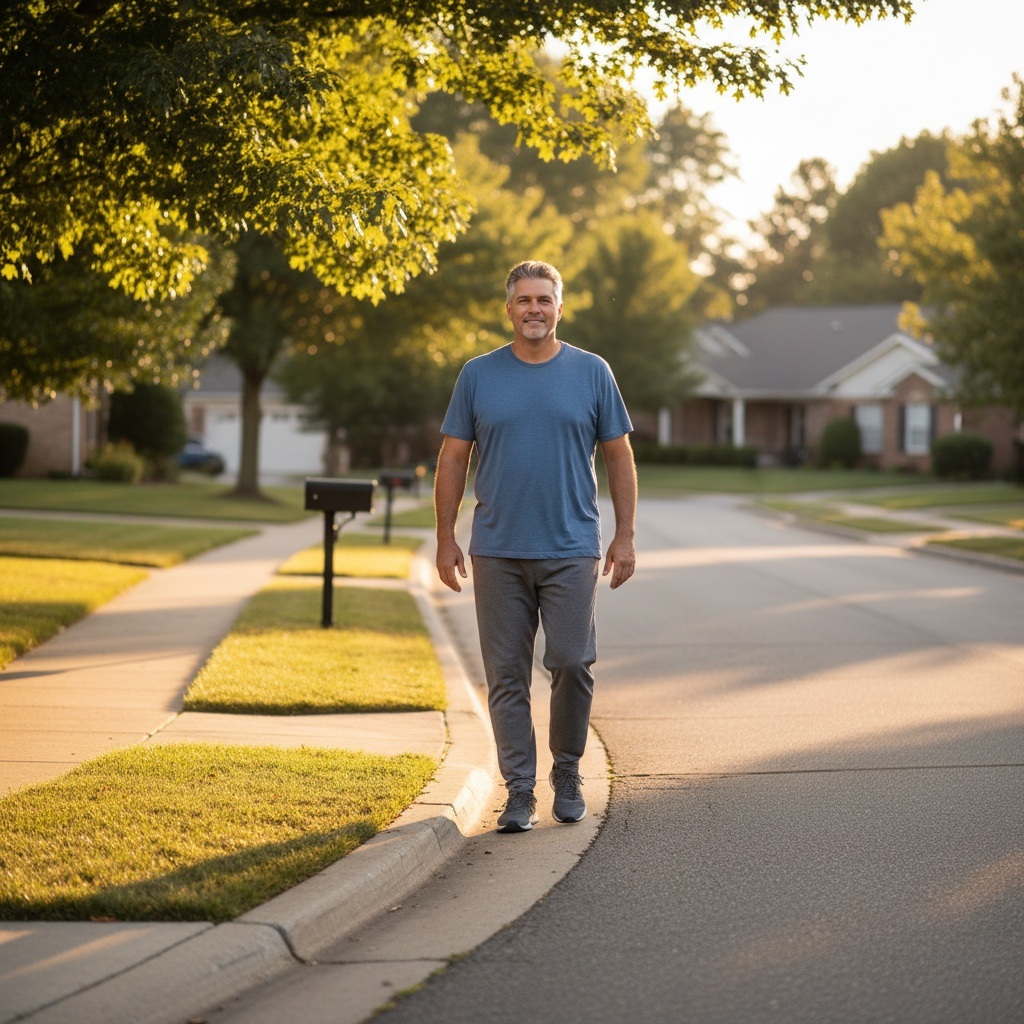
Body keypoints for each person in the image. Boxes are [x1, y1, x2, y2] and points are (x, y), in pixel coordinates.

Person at [434, 260, 637, 834]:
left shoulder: (592, 372)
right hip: (497, 550)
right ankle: (519, 789)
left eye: (544, 300)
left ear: (559, 307)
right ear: (509, 309)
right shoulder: (478, 375)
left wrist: (623, 535)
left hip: (572, 546)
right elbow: (452, 457)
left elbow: (619, 455)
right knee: (506, 675)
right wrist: (446, 537)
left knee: (572, 661)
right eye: (523, 300)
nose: (534, 309)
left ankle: (566, 772)